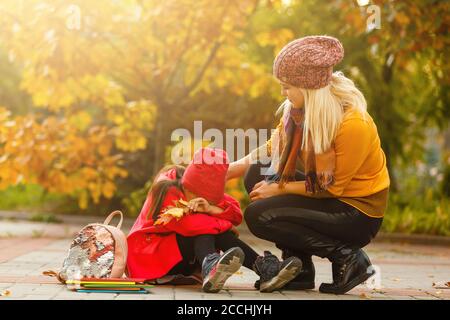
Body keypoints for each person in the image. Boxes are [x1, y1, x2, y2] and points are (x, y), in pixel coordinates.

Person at [226, 35, 390, 294]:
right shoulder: (297, 113)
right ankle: (300, 268)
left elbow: (333, 188)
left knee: (260, 217)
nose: (283, 92)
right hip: (328, 197)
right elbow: (271, 149)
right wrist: (227, 171)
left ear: (309, 87)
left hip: (357, 212)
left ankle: (348, 257)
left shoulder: (353, 123)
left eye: (287, 86)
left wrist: (279, 189)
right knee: (258, 171)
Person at [127, 147, 302, 293]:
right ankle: (213, 267)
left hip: (182, 259)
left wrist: (212, 209)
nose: (201, 202)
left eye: (211, 201)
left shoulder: (203, 190)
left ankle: (263, 268)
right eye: (204, 200)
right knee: (204, 227)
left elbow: (236, 214)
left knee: (209, 226)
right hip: (152, 258)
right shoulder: (167, 188)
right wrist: (224, 224)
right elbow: (190, 227)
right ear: (192, 188)